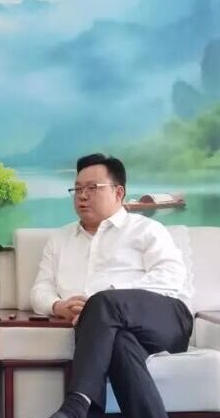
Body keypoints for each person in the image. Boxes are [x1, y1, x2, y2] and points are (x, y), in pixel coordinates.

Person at [30, 154, 194, 418]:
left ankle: (77, 404)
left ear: (118, 192)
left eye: (92, 188)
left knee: (103, 303)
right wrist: (59, 306)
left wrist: (105, 300)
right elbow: (40, 290)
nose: (82, 196)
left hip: (164, 320)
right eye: (77, 189)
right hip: (104, 330)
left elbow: (171, 275)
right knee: (117, 341)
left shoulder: (147, 230)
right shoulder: (59, 239)